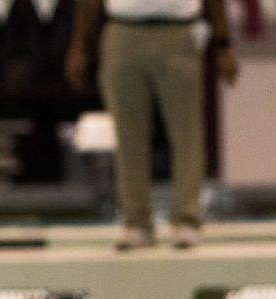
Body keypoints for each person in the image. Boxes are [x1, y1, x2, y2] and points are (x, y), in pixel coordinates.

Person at [66, 0, 239, 250]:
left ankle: (186, 220)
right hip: (123, 33)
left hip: (177, 33)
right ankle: (136, 223)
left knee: (187, 132)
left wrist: (224, 43)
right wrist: (78, 44)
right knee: (128, 136)